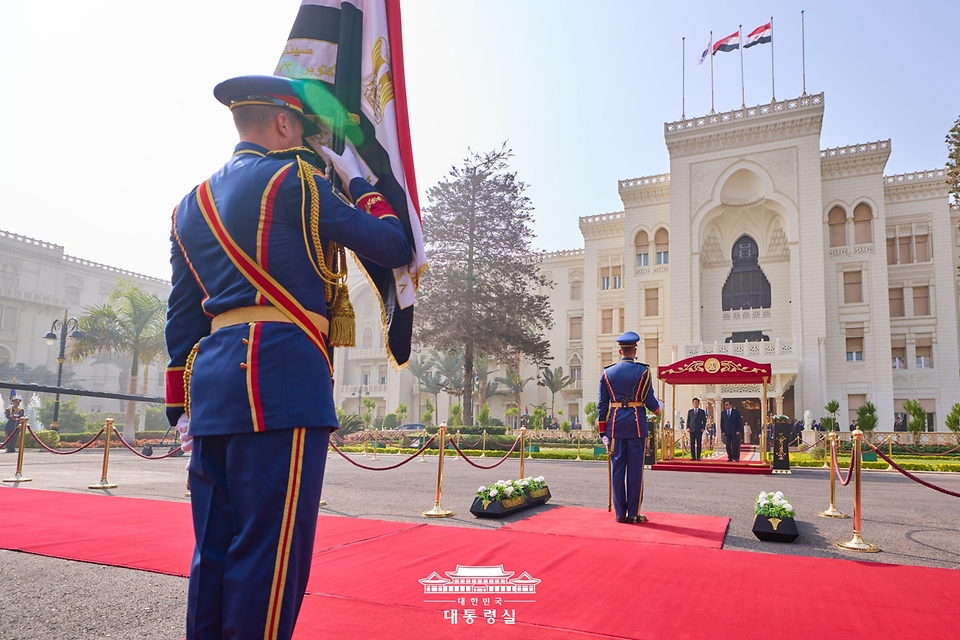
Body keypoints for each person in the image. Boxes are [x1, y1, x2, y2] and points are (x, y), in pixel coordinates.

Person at [165, 75, 412, 640]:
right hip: (280, 381)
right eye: (301, 129)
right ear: (282, 122)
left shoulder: (188, 206)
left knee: (212, 551)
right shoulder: (298, 179)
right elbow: (393, 244)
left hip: (212, 391)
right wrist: (358, 181)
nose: (304, 141)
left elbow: (181, 318)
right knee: (270, 557)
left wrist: (180, 409)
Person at [598, 331, 660, 524]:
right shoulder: (643, 372)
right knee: (635, 470)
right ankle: (633, 513)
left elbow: (602, 405)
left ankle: (619, 514)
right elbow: (650, 401)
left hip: (615, 427)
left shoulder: (607, 373)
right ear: (635, 351)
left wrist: (603, 431)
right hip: (636, 426)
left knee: (617, 470)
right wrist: (658, 409)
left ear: (620, 351)